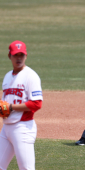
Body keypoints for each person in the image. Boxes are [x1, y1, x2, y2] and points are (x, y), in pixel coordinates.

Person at [0, 40, 43, 170]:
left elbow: (37, 103)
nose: (19, 58)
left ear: (26, 56)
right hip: (6, 129)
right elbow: (4, 103)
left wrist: (11, 107)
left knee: (26, 168)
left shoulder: (31, 76)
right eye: (15, 55)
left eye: (21, 55)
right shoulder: (7, 76)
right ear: (9, 56)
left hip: (22, 128)